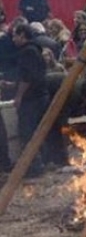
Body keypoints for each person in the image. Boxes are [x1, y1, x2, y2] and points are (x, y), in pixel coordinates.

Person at [4, 24, 49, 176]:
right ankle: (39, 163)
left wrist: (18, 96)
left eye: (15, 36)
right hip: (39, 96)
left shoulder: (28, 52)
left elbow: (27, 78)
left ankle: (34, 167)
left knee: (27, 132)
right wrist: (10, 84)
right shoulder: (36, 49)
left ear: (23, 35)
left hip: (31, 100)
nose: (14, 39)